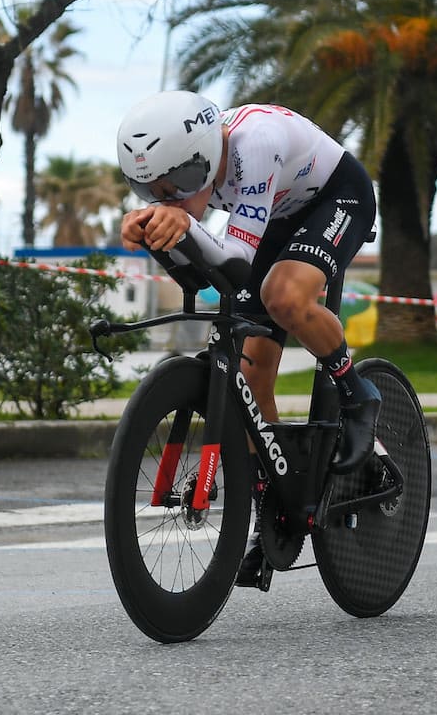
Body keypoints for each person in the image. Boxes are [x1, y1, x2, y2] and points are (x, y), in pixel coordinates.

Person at [116, 90, 380, 586]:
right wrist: (152, 239)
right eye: (150, 191)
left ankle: (356, 390)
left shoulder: (253, 145)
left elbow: (235, 260)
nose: (168, 199)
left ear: (207, 157)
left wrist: (182, 227)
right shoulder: (192, 166)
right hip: (278, 216)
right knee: (249, 379)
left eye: (179, 186)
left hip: (337, 198)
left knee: (283, 297)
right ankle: (273, 512)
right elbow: (205, 277)